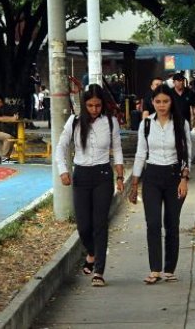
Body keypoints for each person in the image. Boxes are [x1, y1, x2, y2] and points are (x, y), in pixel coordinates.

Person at [55, 84, 124, 287]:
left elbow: (117, 150)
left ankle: (99, 271)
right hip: (81, 175)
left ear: (103, 104)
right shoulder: (75, 122)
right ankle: (92, 253)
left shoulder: (111, 122)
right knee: (84, 226)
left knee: (100, 223)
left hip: (103, 174)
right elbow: (61, 146)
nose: (94, 109)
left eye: (98, 105)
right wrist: (63, 170)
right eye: (91, 105)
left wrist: (120, 177)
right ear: (84, 105)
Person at [130, 84, 192, 284]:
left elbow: (186, 153)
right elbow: (140, 154)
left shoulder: (181, 124)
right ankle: (155, 269)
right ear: (152, 103)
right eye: (158, 102)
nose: (162, 105)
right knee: (153, 223)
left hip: (175, 176)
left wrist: (184, 179)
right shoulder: (146, 124)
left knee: (172, 224)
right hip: (152, 176)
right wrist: (134, 183)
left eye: (166, 101)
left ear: (171, 102)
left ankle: (169, 269)